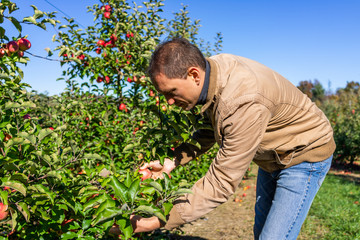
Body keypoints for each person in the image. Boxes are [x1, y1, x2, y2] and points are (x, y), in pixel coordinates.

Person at [130, 37, 336, 239]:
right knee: (262, 232)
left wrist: (154, 221)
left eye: (171, 92)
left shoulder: (241, 101)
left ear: (193, 74)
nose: (169, 102)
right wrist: (171, 161)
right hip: (273, 157)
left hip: (305, 153)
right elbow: (209, 130)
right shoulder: (213, 75)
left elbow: (220, 183)